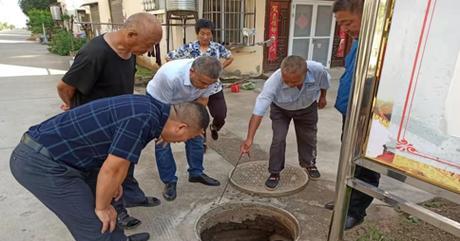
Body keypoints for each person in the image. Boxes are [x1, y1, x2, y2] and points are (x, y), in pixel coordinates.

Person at [10, 94, 210, 241]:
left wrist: (113, 185)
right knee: (97, 224)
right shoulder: (143, 118)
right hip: (42, 163)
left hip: (68, 156)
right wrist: (102, 206)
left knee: (112, 198)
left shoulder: (151, 109)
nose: (182, 142)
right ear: (181, 127)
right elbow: (113, 169)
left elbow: (111, 150)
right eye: (189, 139)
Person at [56, 12, 163, 229]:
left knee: (127, 161)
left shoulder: (129, 51)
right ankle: (117, 210)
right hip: (99, 124)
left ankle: (133, 195)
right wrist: (72, 107)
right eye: (149, 43)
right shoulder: (95, 54)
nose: (150, 49)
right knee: (108, 168)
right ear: (132, 34)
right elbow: (64, 86)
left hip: (121, 118)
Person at [325, 0, 381, 230]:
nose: (345, 29)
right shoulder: (358, 42)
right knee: (348, 161)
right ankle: (344, 202)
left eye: (348, 22)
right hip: (351, 113)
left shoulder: (380, 47)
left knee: (365, 166)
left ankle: (356, 211)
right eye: (342, 24)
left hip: (370, 117)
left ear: (366, 15)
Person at [240, 56, 330, 190]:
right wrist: (249, 138)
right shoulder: (273, 82)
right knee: (278, 139)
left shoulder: (318, 70)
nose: (288, 84)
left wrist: (323, 97)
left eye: (294, 82)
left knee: (308, 137)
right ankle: (274, 172)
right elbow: (258, 111)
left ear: (305, 73)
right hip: (281, 109)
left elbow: (324, 84)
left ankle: (309, 163)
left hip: (307, 107)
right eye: (285, 80)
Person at [146, 56, 222, 201]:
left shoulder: (210, 79)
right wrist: (167, 130)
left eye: (209, 84)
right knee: (163, 140)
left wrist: (195, 126)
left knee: (196, 134)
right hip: (159, 100)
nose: (205, 87)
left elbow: (202, 102)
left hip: (188, 101)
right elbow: (166, 113)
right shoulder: (170, 76)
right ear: (192, 71)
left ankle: (196, 173)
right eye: (202, 82)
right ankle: (169, 180)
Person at [166, 19, 234, 149]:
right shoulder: (189, 48)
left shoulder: (217, 47)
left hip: (214, 88)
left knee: (221, 114)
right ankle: (201, 141)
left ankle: (214, 127)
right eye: (202, 33)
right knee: (198, 115)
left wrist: (220, 67)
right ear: (197, 33)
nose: (205, 37)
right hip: (195, 89)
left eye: (208, 34)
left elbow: (230, 57)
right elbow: (169, 57)